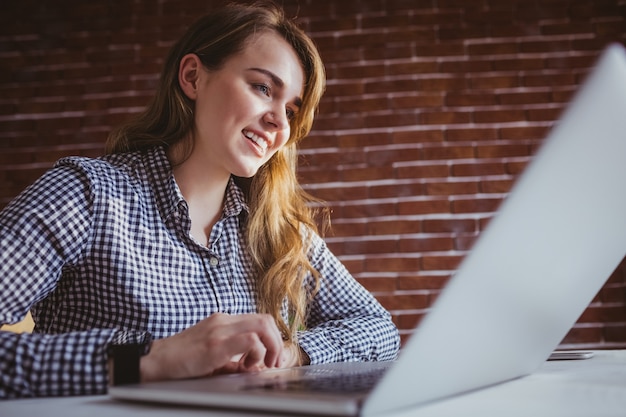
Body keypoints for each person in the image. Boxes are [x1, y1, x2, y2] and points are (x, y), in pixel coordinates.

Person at [0, 1, 400, 399]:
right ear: (193, 77)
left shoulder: (280, 233)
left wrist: (292, 354)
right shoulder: (85, 195)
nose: (280, 122)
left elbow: (379, 328)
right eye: (263, 88)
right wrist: (151, 361)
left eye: (292, 111)